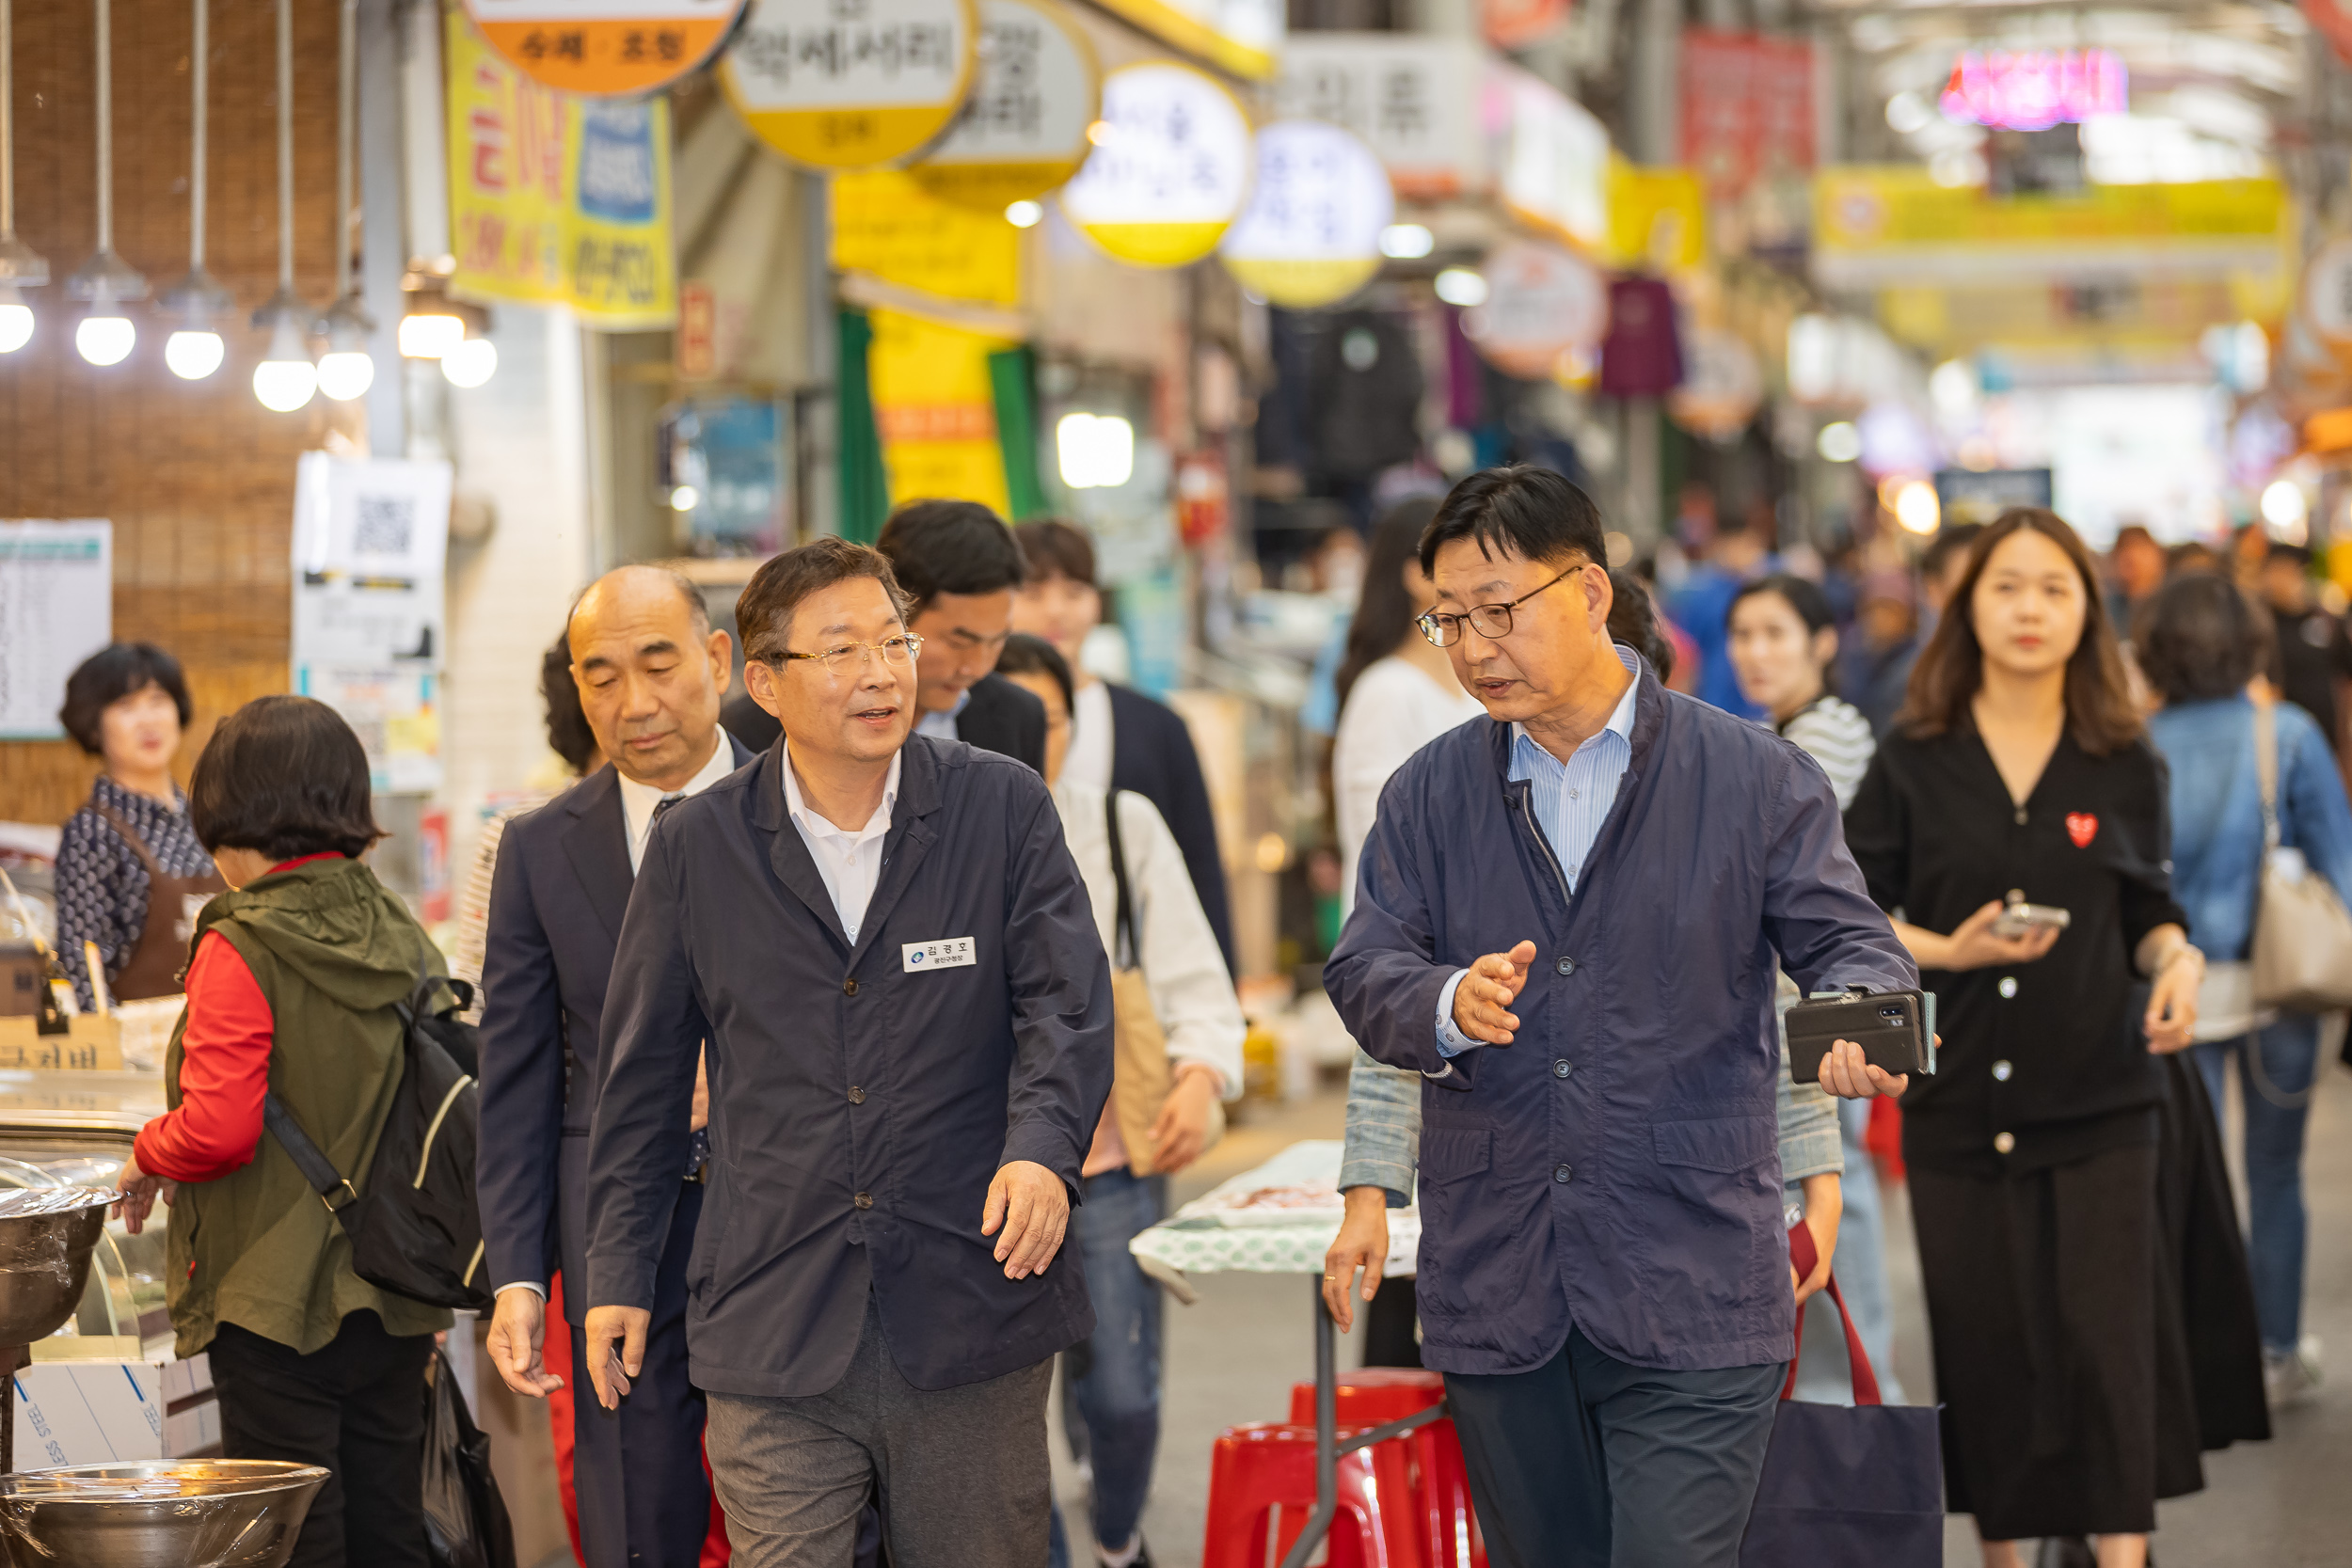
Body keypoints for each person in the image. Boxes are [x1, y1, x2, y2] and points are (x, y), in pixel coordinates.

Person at [1323, 466, 1915, 1568]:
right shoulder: (1426, 792)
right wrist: (1445, 1000)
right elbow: (1365, 969)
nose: (1472, 644)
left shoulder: (1753, 776)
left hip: (1692, 1272)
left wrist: (1854, 1017)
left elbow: (1849, 941)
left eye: (1498, 609)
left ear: (1590, 592)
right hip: (1502, 1283)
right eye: (1447, 619)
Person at [583, 538, 1113, 1568]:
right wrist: (616, 1269)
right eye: (841, 650)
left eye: (893, 641)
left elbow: (1067, 1004)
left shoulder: (998, 806)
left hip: (970, 1297)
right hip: (772, 1314)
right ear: (764, 681)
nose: (881, 672)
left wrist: (1042, 1149)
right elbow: (641, 1079)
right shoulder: (697, 846)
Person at [1843, 510, 2209, 1568]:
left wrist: (2176, 963)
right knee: (1988, 1347)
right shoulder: (1914, 756)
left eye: (2055, 587)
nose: (2031, 608)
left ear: (2088, 610)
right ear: (1969, 605)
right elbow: (1854, 910)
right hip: (1956, 1107)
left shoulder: (2121, 757)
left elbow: (2148, 911)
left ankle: (2121, 1554)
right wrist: (1946, 954)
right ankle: (2006, 1555)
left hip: (2102, 1093)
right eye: (2008, 585)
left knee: (2107, 1348)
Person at [112, 695, 450, 1568]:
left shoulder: (241, 943)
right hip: (398, 1281)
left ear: (227, 818)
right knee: (390, 1518)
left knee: (295, 1531)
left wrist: (148, 1150)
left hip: (272, 1298)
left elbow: (219, 1129)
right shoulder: (402, 931)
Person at [478, 566, 753, 1568]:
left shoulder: (808, 798)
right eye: (601, 677)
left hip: (795, 1215)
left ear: (716, 660)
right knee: (638, 1507)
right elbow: (515, 1073)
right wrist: (516, 1271)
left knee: (814, 1498)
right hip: (615, 1233)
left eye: (658, 663)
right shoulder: (541, 846)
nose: (633, 702)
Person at [996, 633, 1245, 1568]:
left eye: (1044, 720)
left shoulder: (1113, 821)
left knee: (1122, 1391)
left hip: (1108, 1161)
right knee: (1006, 1406)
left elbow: (1192, 971)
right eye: (1001, 719)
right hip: (986, 1171)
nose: (1026, 739)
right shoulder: (937, 839)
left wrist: (1198, 1074)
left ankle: (1114, 1534)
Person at [2141, 573, 2352, 1403]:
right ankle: (2273, 1351)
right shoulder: (2288, 734)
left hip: (2171, 988)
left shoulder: (2133, 740)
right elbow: (2339, 868)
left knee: (2185, 1171)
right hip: (2279, 986)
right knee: (2274, 1170)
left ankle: (2195, 1349)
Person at [1725, 573, 1904, 1402]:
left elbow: (1755, 846)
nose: (1755, 653)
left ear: (1821, 644)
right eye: (1743, 635)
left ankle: (1864, 1408)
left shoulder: (1825, 732)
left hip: (1829, 1005)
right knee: (1824, 1196)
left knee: (1839, 1195)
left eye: (1775, 634)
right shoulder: (1766, 734)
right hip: (1799, 1007)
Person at [1011, 517, 1234, 972]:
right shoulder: (972, 716)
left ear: (1097, 602)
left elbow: (1201, 866)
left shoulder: (1157, 725)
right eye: (1034, 593)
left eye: (1074, 592)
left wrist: (1224, 993)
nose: (1056, 611)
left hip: (1132, 974)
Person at [723, 499, 1046, 773]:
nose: (976, 667)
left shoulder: (1017, 716)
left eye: (997, 640)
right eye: (959, 641)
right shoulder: (750, 732)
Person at [53, 641, 224, 1008]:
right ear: (94, 726)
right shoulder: (91, 832)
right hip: (139, 1049)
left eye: (158, 700)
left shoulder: (208, 820)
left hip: (221, 1038)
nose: (148, 720)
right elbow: (82, 968)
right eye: (126, 706)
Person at [1667, 502, 1776, 718]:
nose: (1739, 553)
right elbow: (1686, 652)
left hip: (1764, 700)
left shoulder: (1771, 585)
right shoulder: (1701, 592)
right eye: (1732, 545)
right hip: (1715, 700)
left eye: (1746, 545)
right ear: (1719, 545)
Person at [2259, 542, 2352, 754]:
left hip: (2326, 732)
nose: (2278, 580)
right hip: (2278, 738)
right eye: (2273, 571)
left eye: (2285, 570)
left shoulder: (2325, 619)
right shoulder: (2261, 623)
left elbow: (2346, 671)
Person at [2108, 524, 2168, 629]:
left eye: (2140, 549)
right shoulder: (2107, 609)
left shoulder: (2171, 606)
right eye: (2124, 550)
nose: (2132, 557)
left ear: (2158, 556)